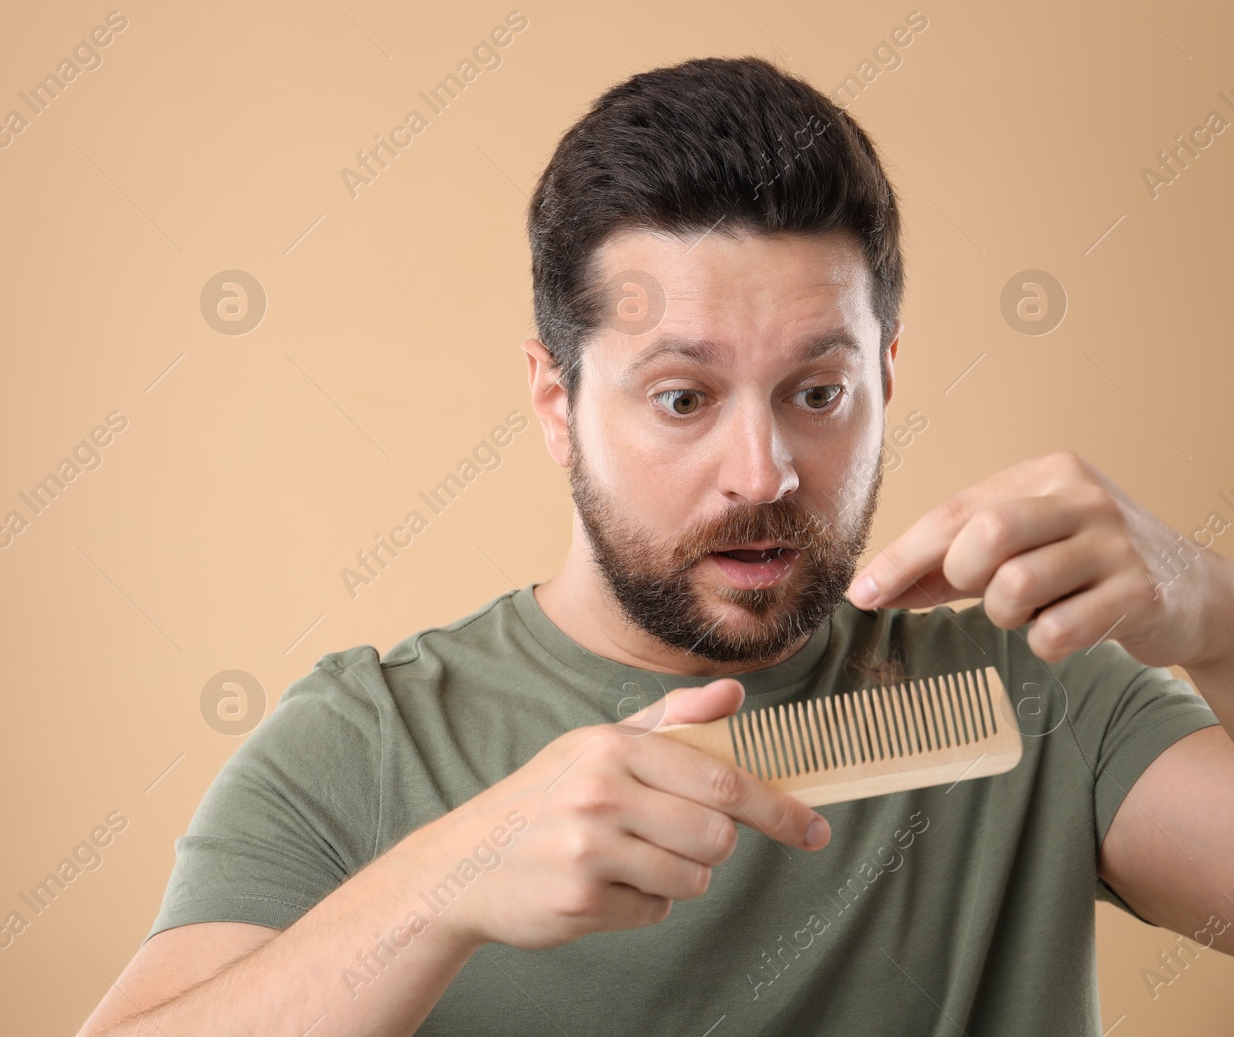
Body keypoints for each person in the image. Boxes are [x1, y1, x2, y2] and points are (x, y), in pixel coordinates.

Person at [77, 56, 1234, 1035]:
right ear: (555, 400)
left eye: (817, 392)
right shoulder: (368, 742)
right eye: (682, 398)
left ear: (885, 380)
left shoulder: (1040, 693)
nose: (762, 471)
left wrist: (1220, 616)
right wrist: (449, 884)